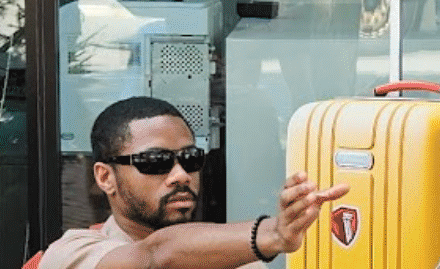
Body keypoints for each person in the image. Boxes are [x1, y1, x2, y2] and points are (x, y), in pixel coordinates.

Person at [40, 96, 346, 269]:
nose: (181, 175)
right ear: (106, 177)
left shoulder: (239, 261)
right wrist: (273, 233)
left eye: (190, 158)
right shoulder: (73, 253)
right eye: (155, 161)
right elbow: (155, 255)